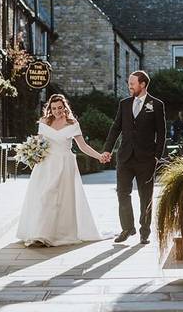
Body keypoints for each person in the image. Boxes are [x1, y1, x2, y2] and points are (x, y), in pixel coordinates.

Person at [16, 94, 108, 247]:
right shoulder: (45, 122)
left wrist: (99, 156)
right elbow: (38, 142)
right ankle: (39, 234)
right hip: (46, 165)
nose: (57, 111)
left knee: (60, 201)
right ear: (49, 109)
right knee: (44, 197)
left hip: (65, 164)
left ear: (65, 107)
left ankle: (56, 234)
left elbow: (83, 146)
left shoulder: (73, 124)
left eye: (60, 108)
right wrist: (30, 153)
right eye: (53, 108)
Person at [101, 71, 166, 244]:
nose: (129, 86)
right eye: (129, 83)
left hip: (146, 159)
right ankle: (127, 228)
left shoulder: (156, 105)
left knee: (146, 196)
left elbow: (161, 133)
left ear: (143, 84)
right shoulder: (124, 104)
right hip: (125, 157)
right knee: (122, 193)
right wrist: (107, 149)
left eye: (132, 83)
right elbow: (116, 128)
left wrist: (157, 156)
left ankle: (145, 231)